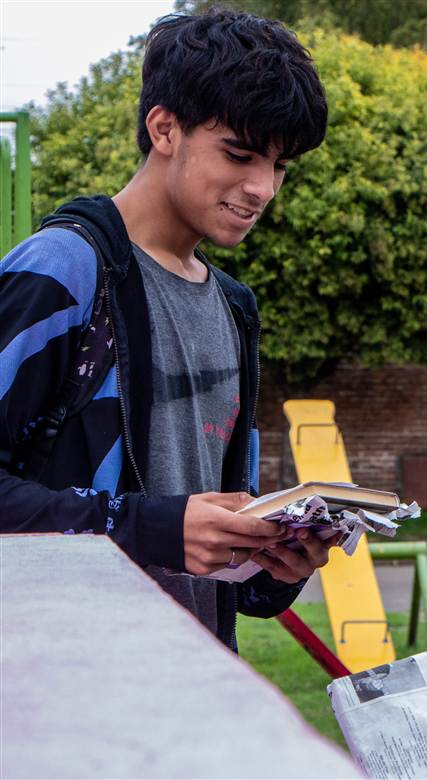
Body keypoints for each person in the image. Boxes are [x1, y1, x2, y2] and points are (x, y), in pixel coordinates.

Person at [0, 10, 334, 650]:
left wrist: (276, 561)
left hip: (194, 694)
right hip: (57, 690)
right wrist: (150, 526)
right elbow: (159, 527)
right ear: (165, 128)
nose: (262, 187)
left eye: (280, 164)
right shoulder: (63, 271)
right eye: (238, 153)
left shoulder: (235, 309)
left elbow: (220, 565)